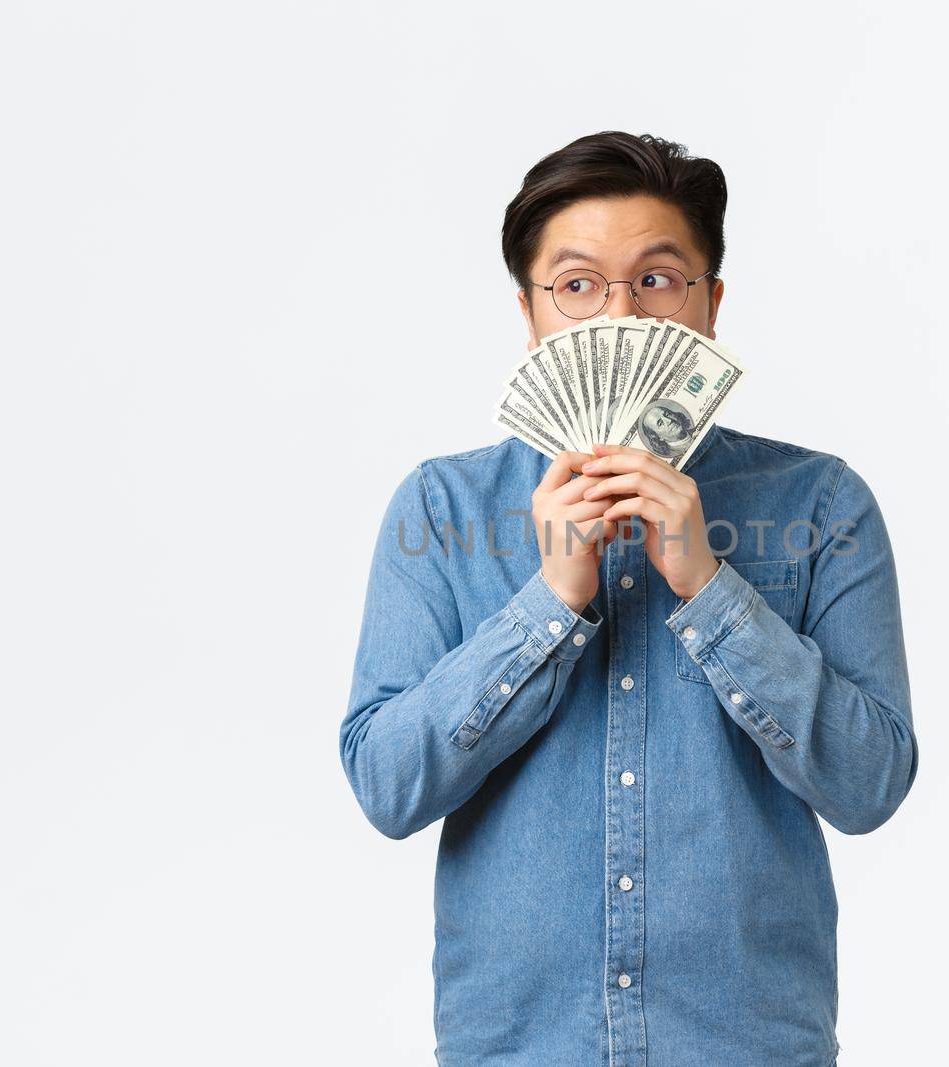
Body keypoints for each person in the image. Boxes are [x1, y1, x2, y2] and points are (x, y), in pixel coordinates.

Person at [339, 131, 918, 1066]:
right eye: (577, 285)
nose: (621, 316)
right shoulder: (441, 510)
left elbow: (870, 784)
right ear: (530, 316)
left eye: (657, 280)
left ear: (711, 305)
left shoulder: (820, 503)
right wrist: (549, 603)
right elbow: (388, 786)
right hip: (518, 1047)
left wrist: (709, 586)